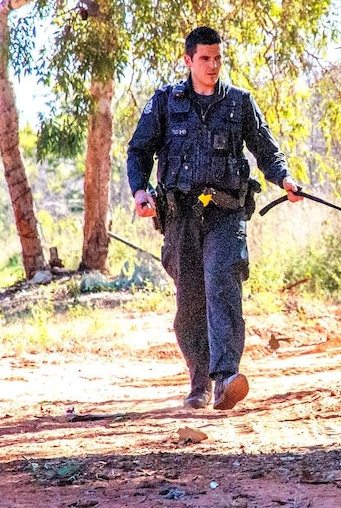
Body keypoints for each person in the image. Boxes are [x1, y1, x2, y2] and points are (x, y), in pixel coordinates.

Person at [127, 26, 302, 410]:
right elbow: (138, 151)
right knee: (190, 300)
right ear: (188, 60)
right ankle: (198, 383)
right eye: (204, 58)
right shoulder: (164, 102)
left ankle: (225, 379)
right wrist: (140, 191)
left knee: (222, 285)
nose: (212, 65)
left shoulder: (239, 103)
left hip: (225, 213)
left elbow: (266, 149)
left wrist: (284, 179)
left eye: (217, 58)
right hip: (179, 217)